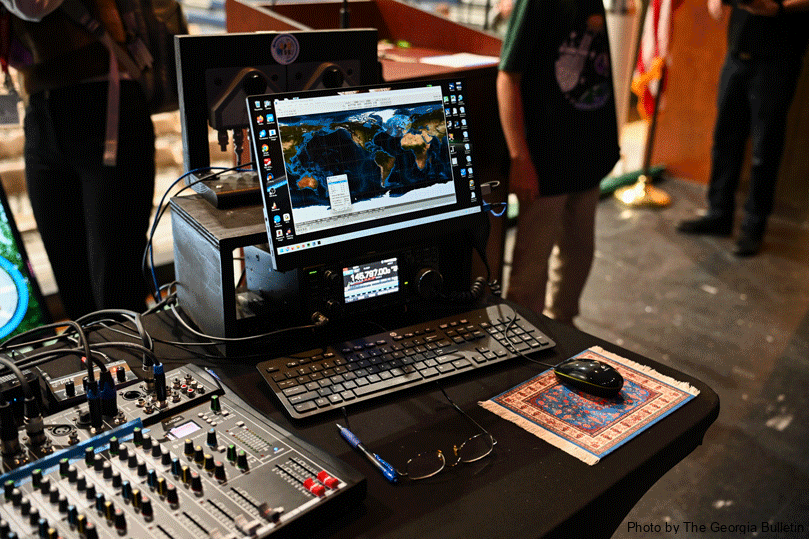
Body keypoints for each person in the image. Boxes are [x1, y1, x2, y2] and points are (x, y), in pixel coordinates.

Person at [1, 0, 156, 318]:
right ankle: (89, 364)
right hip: (41, 107)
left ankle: (131, 365)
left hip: (105, 101)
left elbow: (33, 5)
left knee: (117, 285)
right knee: (71, 281)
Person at [497, 0, 620, 324]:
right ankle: (522, 341)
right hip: (546, 158)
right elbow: (507, 78)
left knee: (579, 253)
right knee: (530, 270)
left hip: (588, 152)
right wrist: (520, 157)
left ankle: (564, 331)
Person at [676, 0, 809, 256]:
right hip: (738, 52)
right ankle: (719, 214)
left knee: (764, 149)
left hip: (778, 58)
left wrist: (779, 7)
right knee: (725, 139)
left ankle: (753, 226)